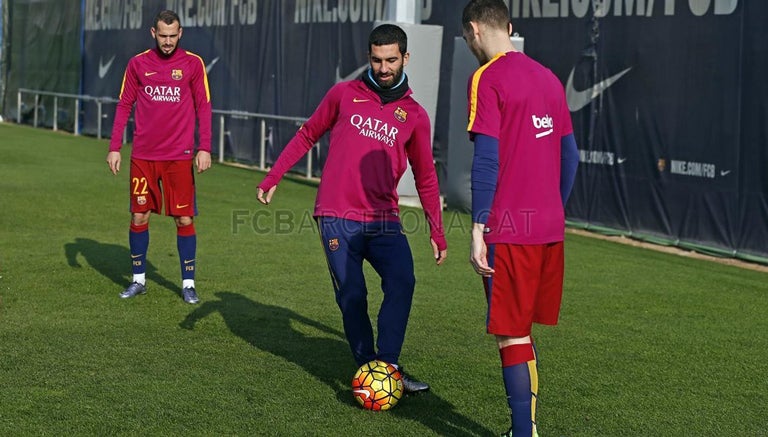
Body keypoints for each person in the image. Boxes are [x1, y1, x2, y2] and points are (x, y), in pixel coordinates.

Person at [257, 24, 447, 393]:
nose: (383, 67)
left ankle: (387, 367)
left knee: (403, 280)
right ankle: (367, 370)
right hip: (336, 214)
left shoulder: (416, 116)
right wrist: (274, 176)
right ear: (368, 57)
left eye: (391, 60)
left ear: (405, 58)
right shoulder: (344, 94)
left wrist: (437, 231)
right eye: (376, 60)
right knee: (353, 295)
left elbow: (426, 177)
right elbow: (307, 133)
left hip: (383, 218)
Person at [461, 0, 579, 435]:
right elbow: (571, 157)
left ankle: (523, 433)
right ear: (509, 27)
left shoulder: (486, 77)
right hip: (547, 227)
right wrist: (553, 208)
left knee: (511, 336)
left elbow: (486, 158)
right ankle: (522, 429)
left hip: (509, 229)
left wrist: (477, 227)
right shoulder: (549, 78)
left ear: (474, 30)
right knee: (521, 334)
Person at [106, 9, 212, 304]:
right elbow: (124, 105)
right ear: (153, 33)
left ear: (181, 33)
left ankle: (188, 283)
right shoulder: (138, 63)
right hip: (143, 156)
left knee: (183, 218)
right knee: (139, 214)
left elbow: (204, 106)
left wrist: (205, 147)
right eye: (162, 36)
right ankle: (138, 279)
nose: (167, 42)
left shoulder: (193, 64)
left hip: (179, 156)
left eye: (172, 36)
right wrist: (115, 146)